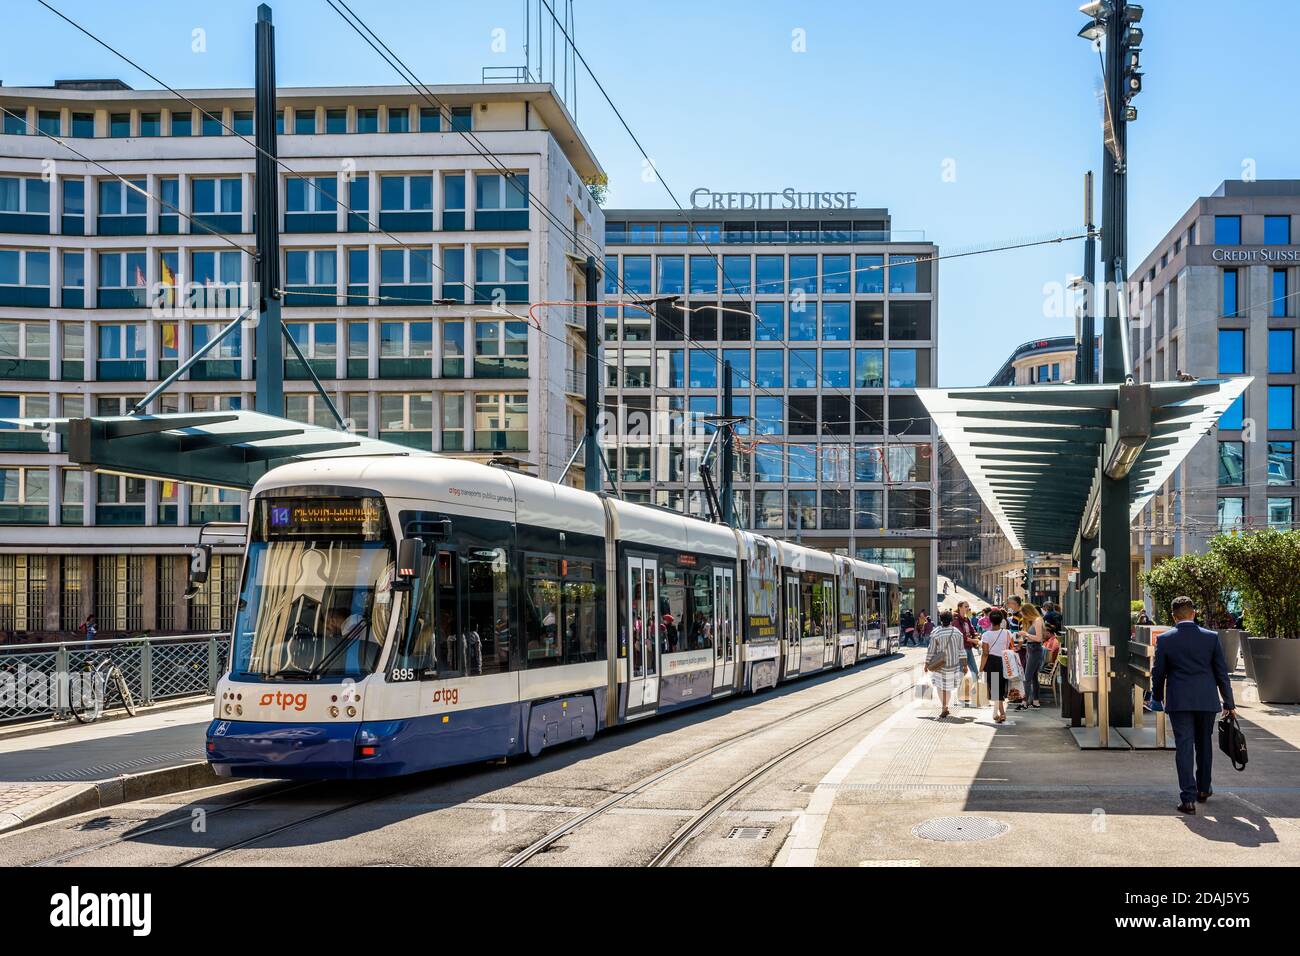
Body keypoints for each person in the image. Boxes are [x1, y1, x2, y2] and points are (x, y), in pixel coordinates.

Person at [1152, 595, 1237, 815]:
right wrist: (1229, 701)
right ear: (1194, 613)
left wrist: (1156, 697)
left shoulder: (1165, 640)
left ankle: (1187, 799)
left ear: (1173, 616)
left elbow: (1158, 673)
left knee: (1184, 747)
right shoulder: (1210, 638)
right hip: (1207, 700)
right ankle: (1204, 788)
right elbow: (1221, 672)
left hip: (1179, 701)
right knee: (1204, 744)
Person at [926, 610, 965, 719]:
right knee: (948, 687)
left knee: (940, 686)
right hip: (953, 664)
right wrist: (965, 665)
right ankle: (945, 705)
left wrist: (926, 663)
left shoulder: (936, 632)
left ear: (940, 620)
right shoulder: (958, 632)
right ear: (951, 620)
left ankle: (944, 706)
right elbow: (962, 651)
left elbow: (931, 650)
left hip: (939, 665)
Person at [980, 608, 1014, 724]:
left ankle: (1001, 713)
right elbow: (1013, 647)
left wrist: (981, 668)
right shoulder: (1008, 633)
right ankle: (1000, 712)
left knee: (995, 689)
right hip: (1005, 661)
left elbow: (985, 653)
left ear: (990, 621)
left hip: (992, 662)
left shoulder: (986, 635)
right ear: (1001, 621)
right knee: (1000, 687)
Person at [1016, 602, 1046, 711]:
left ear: (1028, 612)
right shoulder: (1034, 620)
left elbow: (1039, 638)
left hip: (1035, 649)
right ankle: (1035, 702)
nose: (1022, 616)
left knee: (1027, 677)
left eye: (1023, 614)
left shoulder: (1038, 620)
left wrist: (1026, 634)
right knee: (1033, 677)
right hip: (1031, 649)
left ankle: (1024, 703)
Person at [954, 600, 981, 706]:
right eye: (966, 606)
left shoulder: (966, 619)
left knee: (975, 671)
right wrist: (973, 640)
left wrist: (976, 635)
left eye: (968, 607)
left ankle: (970, 694)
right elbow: (961, 636)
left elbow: (972, 630)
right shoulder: (956, 620)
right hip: (961, 649)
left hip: (968, 648)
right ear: (960, 607)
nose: (968, 608)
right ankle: (960, 697)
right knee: (962, 673)